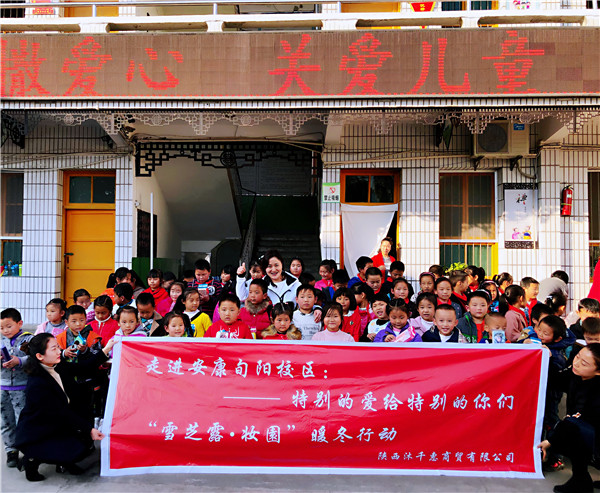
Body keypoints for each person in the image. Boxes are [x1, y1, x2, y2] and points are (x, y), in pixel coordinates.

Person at [14, 333, 114, 481]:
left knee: (85, 446)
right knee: (76, 449)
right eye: (54, 348)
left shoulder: (57, 365)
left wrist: (106, 349)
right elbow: (60, 412)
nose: (59, 351)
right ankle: (31, 459)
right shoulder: (37, 384)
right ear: (40, 356)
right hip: (40, 430)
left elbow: (83, 368)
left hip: (60, 421)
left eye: (58, 347)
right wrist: (89, 429)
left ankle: (64, 461)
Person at [537, 344, 600, 493]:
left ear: (598, 371)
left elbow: (578, 421)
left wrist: (549, 441)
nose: (576, 363)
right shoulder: (575, 374)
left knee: (568, 430)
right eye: (577, 357)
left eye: (584, 363)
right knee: (567, 432)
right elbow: (554, 380)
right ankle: (581, 480)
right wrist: (549, 358)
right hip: (585, 430)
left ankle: (581, 481)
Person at [1, 308, 33, 468]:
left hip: (22, 387)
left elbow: (35, 357)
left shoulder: (28, 339)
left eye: (8, 326)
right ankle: (11, 451)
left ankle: (27, 449)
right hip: (3, 387)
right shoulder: (0, 341)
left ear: (19, 323)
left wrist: (18, 361)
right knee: (6, 421)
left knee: (23, 420)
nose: (5, 331)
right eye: (1, 328)